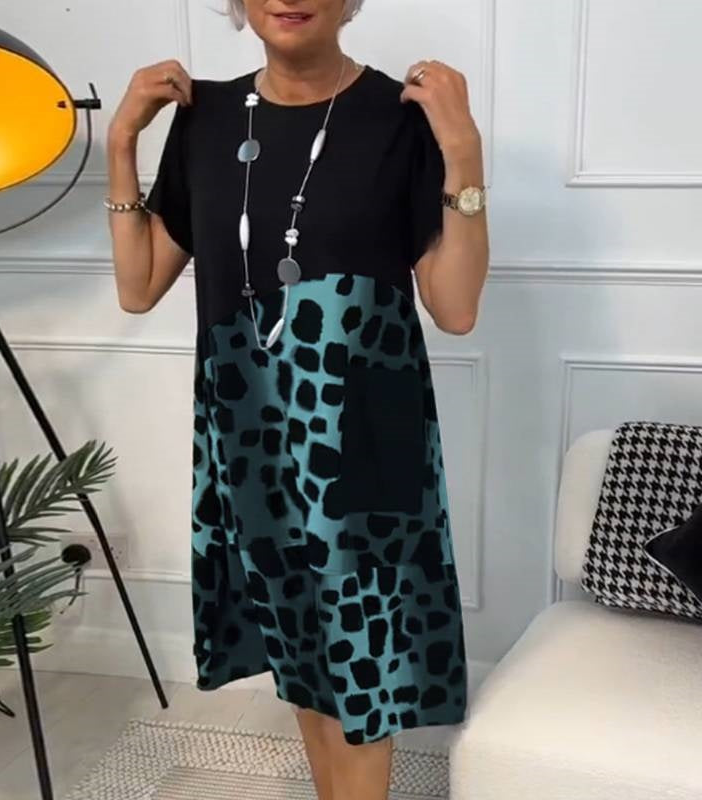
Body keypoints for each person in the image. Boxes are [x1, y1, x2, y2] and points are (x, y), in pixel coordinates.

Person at [105, 1, 489, 798]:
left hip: (367, 433)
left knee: (362, 675)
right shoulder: (206, 118)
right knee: (304, 656)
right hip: (252, 430)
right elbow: (138, 286)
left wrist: (463, 151)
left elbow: (454, 308)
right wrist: (120, 143)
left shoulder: (401, 116)